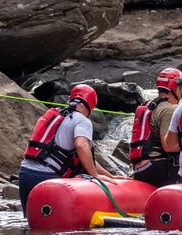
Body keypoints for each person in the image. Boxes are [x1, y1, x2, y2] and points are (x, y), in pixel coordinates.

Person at [18, 84, 113, 213]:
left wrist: (110, 176)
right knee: (54, 226)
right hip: (46, 178)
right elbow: (81, 146)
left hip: (25, 173)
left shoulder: (56, 115)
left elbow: (86, 160)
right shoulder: (82, 121)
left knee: (31, 222)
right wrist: (94, 175)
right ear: (91, 105)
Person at [130, 68, 182, 187]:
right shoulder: (168, 110)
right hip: (155, 170)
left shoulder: (149, 104)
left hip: (139, 169)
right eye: (181, 88)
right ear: (175, 88)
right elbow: (168, 146)